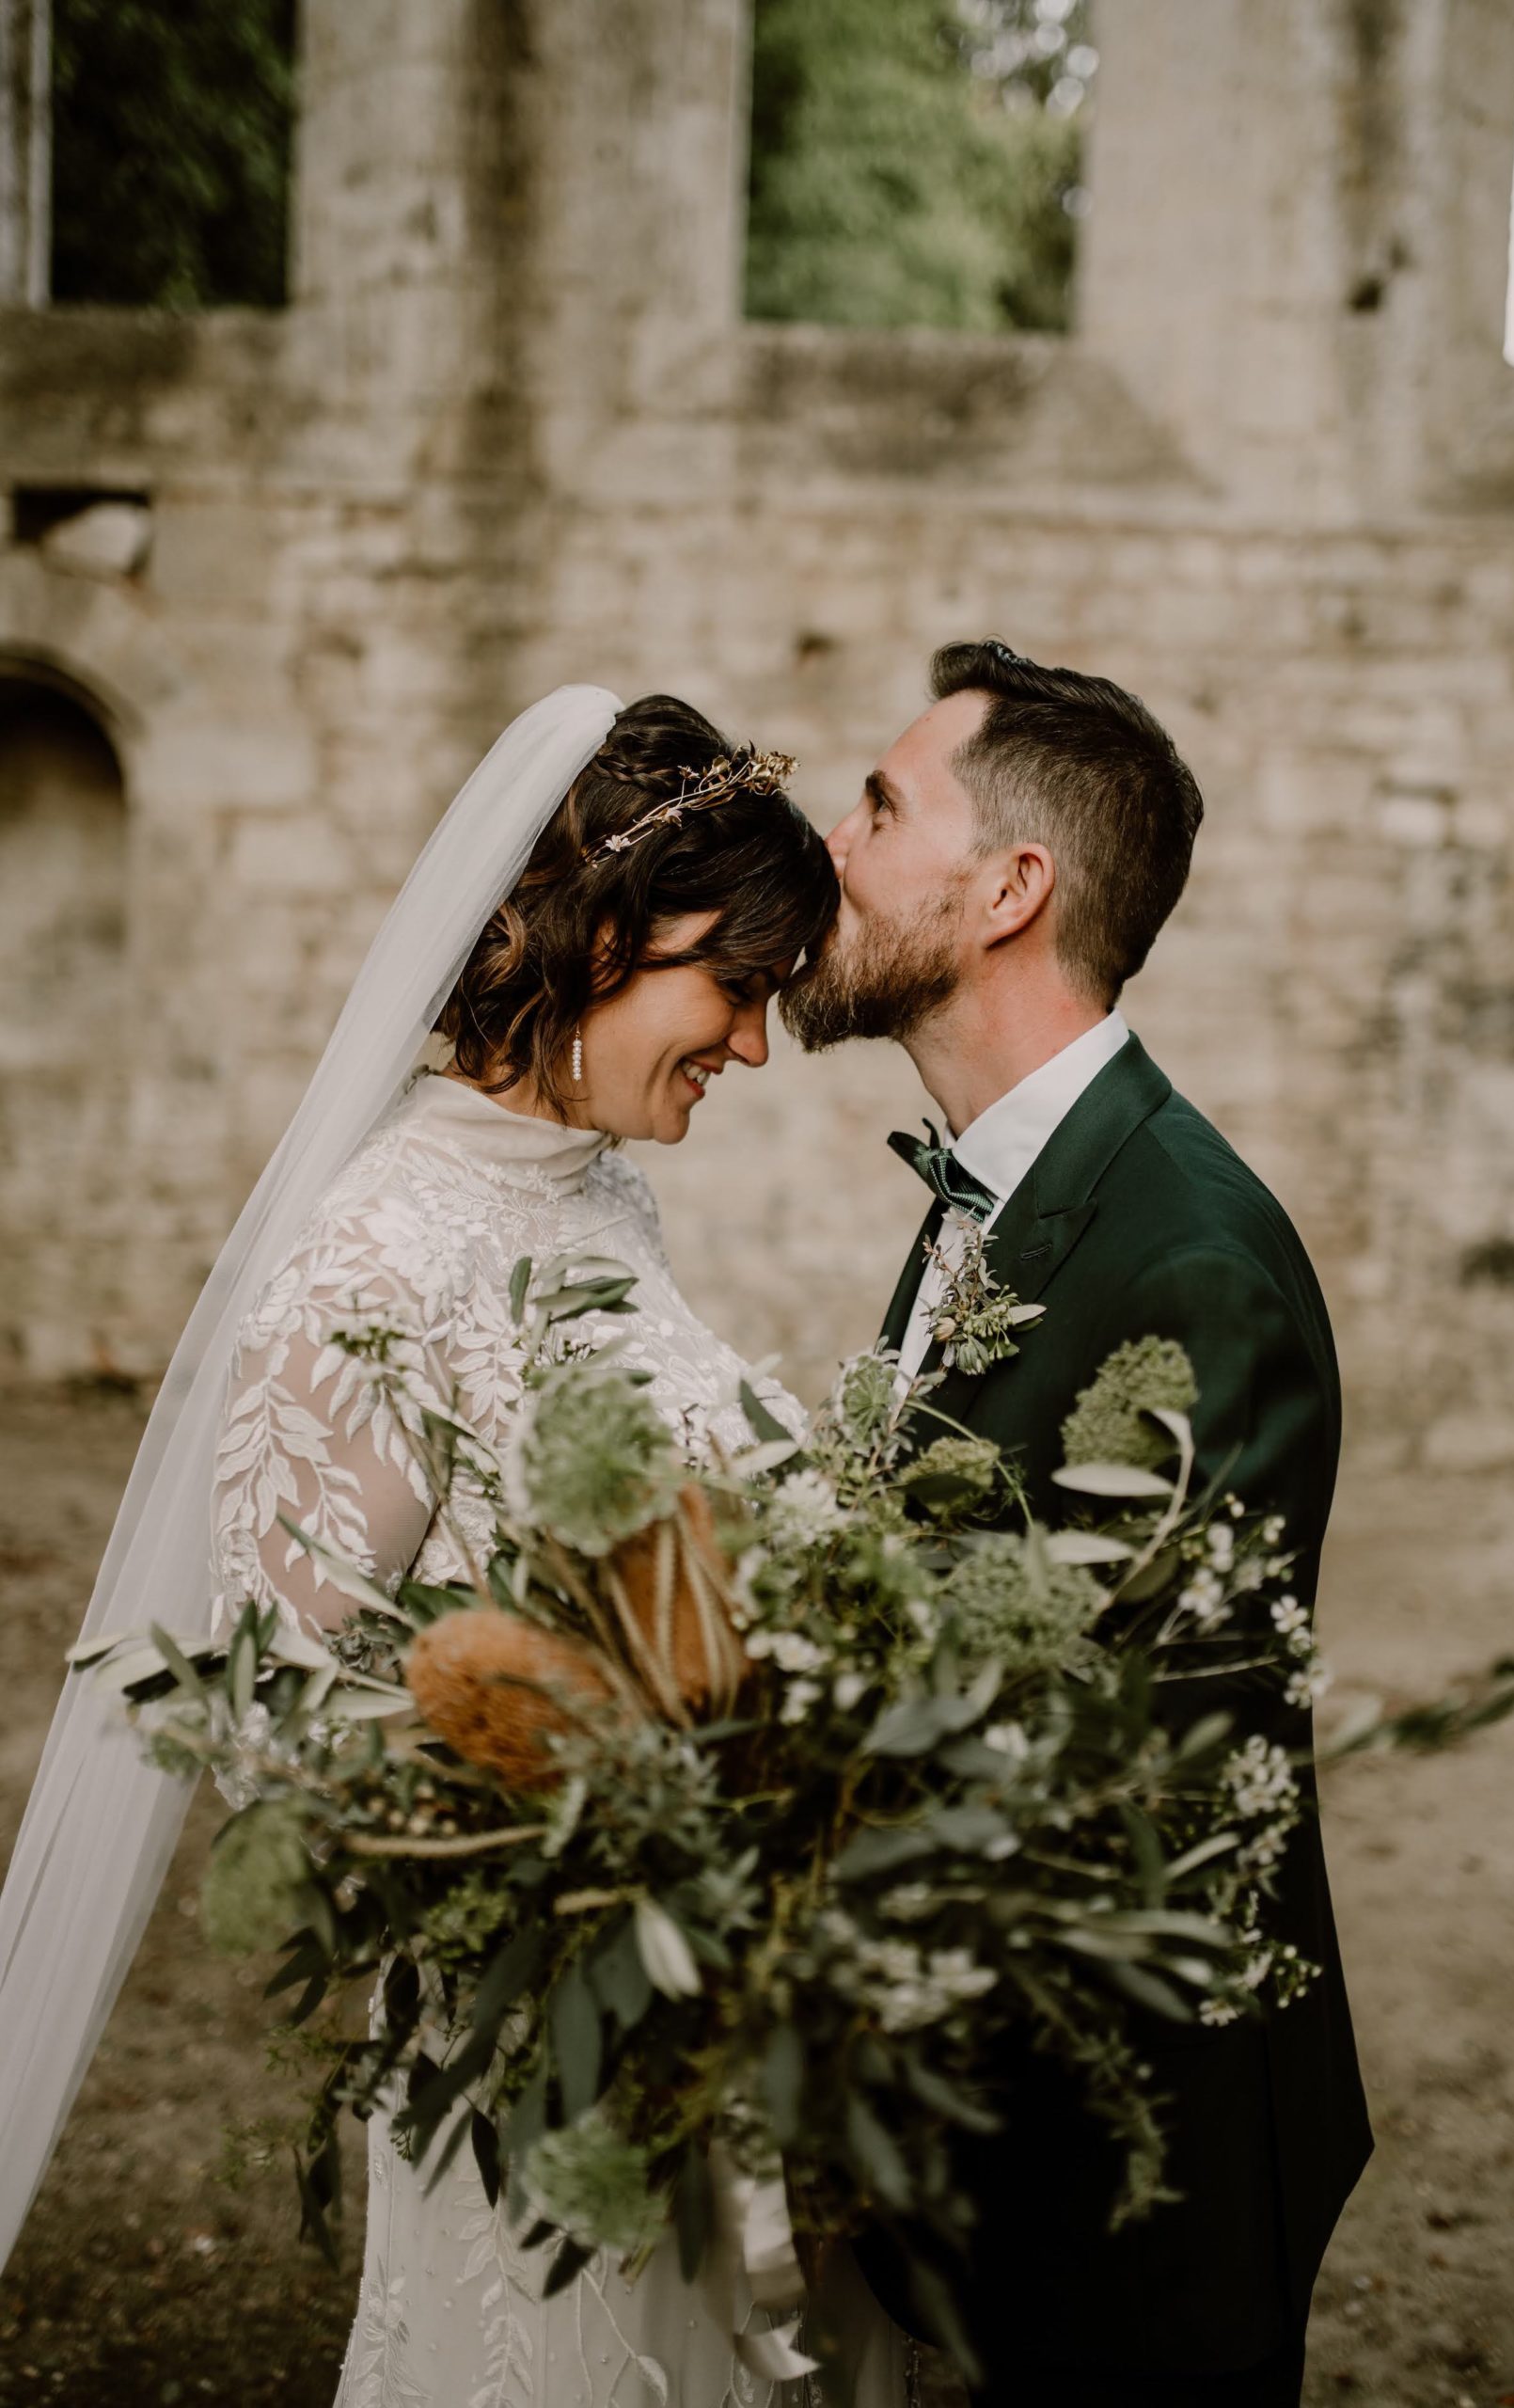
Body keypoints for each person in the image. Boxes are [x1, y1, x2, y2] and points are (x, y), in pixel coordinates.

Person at [0, 686, 902, 2407]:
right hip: (546, 2044)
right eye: (741, 989)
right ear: (612, 933)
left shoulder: (592, 1191)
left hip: (715, 2018)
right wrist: (620, 1826)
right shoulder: (366, 1268)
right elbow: (283, 1736)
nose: (758, 1049)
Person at [782, 640, 1373, 2406]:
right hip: (954, 2145)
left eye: (884, 806)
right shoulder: (1007, 1183)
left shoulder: (1188, 1264)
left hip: (1119, 2190)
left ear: (1009, 889)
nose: (836, 839)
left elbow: (1123, 1797)